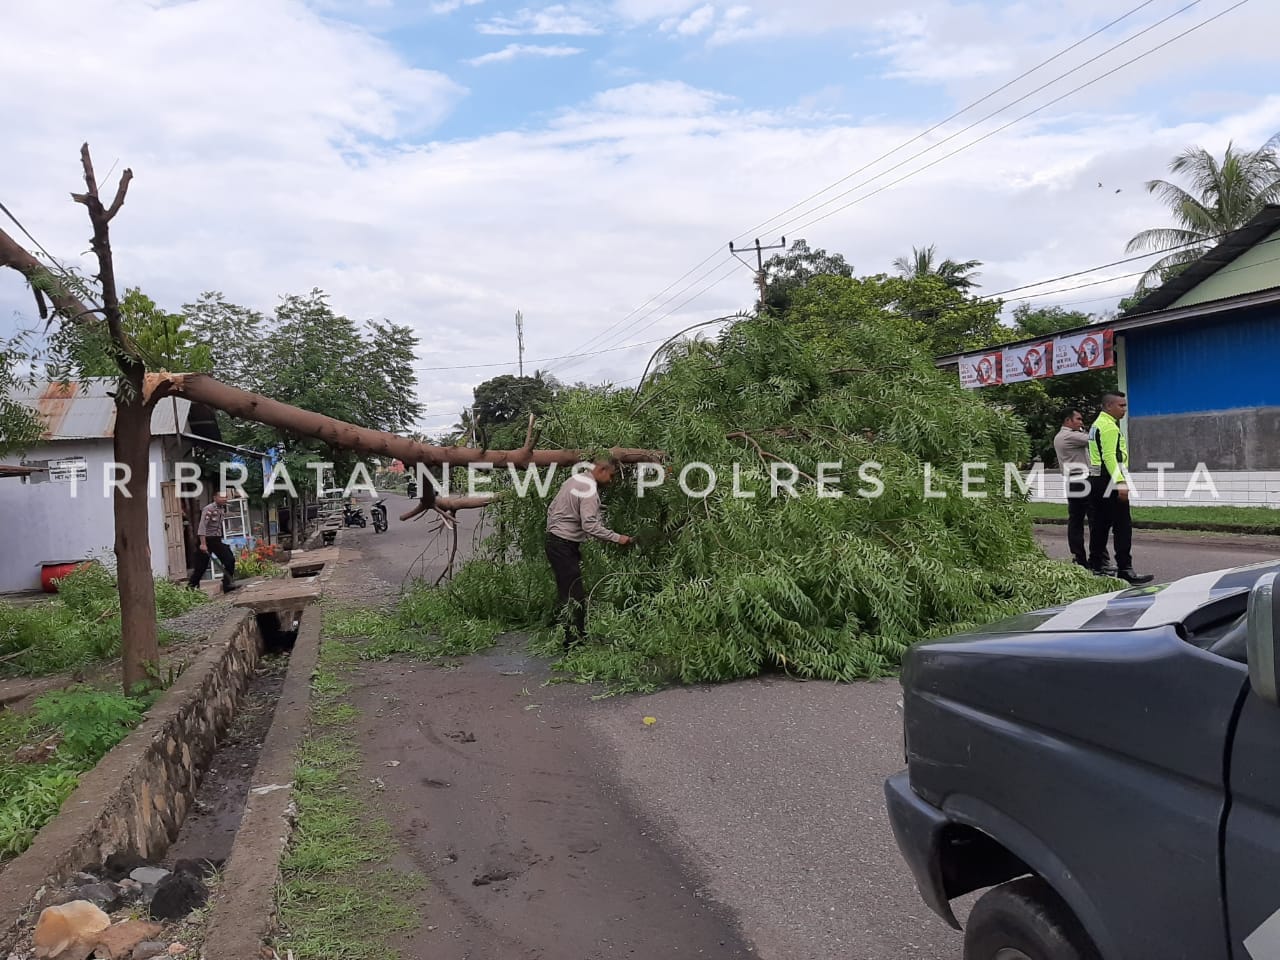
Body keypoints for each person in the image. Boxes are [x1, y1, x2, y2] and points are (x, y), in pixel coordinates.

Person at [544, 458, 632, 648]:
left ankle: (569, 634)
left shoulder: (574, 480)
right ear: (600, 469)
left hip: (555, 542)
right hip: (563, 544)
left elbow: (552, 509)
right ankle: (574, 643)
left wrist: (555, 530)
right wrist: (618, 538)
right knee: (575, 596)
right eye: (611, 475)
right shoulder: (590, 489)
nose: (611, 481)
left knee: (566, 591)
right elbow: (590, 525)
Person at [1087, 392, 1153, 585]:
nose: (1124, 409)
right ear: (1108, 406)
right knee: (1122, 526)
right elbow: (1110, 457)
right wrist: (1120, 482)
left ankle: (1096, 566)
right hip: (1109, 480)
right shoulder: (1108, 427)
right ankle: (1125, 569)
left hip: (1097, 480)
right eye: (1121, 406)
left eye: (1125, 405)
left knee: (1100, 526)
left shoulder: (1097, 424)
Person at [1053, 408, 1096, 570]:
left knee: (1076, 521)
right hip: (1082, 480)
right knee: (1094, 520)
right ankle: (1097, 559)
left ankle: (1079, 558)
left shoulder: (1060, 436)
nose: (1081, 422)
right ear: (1067, 421)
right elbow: (1093, 438)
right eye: (1078, 419)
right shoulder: (1070, 435)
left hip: (1073, 482)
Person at [187, 491, 238, 593]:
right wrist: (203, 544)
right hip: (206, 540)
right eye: (222, 497)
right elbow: (202, 526)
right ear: (215, 497)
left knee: (229, 559)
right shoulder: (209, 509)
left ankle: (227, 584)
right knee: (201, 567)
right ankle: (191, 589)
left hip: (216, 540)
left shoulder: (222, 509)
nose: (224, 499)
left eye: (226, 497)